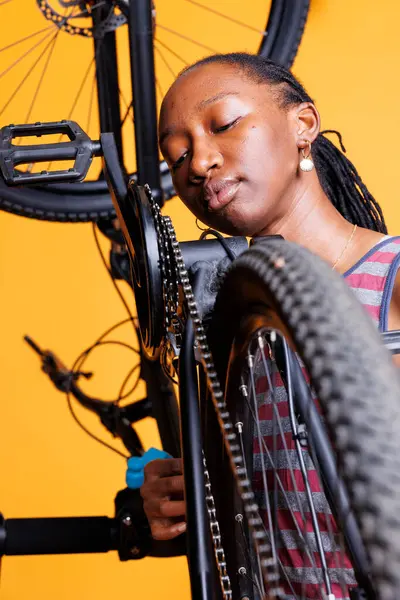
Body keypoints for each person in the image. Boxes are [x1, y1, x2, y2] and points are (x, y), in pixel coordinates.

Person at [140, 52, 400, 598]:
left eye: (224, 124)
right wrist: (184, 491)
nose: (199, 162)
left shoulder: (392, 277)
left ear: (302, 125)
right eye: (177, 155)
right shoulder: (232, 341)